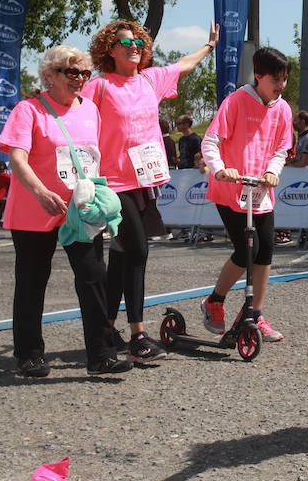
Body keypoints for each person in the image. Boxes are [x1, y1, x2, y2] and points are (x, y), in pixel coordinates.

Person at [85, 19, 218, 362]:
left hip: (145, 182)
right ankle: (137, 338)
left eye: (139, 43)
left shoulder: (150, 80)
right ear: (109, 49)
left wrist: (210, 46)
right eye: (126, 42)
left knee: (122, 257)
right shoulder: (98, 87)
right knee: (139, 250)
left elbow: (183, 65)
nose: (134, 47)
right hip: (112, 184)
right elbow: (73, 118)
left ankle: (107, 327)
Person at [0, 45, 132, 376]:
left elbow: (94, 156)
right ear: (50, 75)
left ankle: (101, 354)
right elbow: (16, 157)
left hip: (81, 209)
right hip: (35, 207)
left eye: (85, 74)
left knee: (93, 276)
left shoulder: (90, 109)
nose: (80, 80)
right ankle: (29, 353)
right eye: (72, 73)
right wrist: (40, 191)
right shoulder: (28, 110)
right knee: (32, 279)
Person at [199, 47, 293, 341]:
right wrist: (220, 169)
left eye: (285, 79)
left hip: (260, 191)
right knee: (246, 250)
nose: (280, 85)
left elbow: (281, 148)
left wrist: (273, 171)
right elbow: (211, 141)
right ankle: (214, 300)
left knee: (265, 250)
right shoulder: (236, 101)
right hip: (230, 190)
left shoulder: (283, 109)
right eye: (275, 79)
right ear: (258, 75)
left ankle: (254, 314)